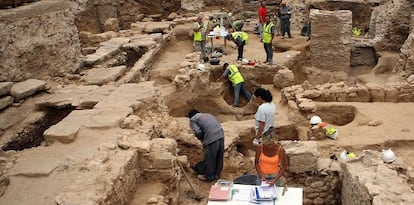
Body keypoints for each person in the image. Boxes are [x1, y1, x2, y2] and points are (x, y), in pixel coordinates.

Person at [188, 109, 224, 181]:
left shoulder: (193, 119)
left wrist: (202, 139)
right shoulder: (208, 115)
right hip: (221, 135)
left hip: (211, 138)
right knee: (219, 156)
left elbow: (197, 131)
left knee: (210, 158)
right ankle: (217, 174)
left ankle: (209, 176)